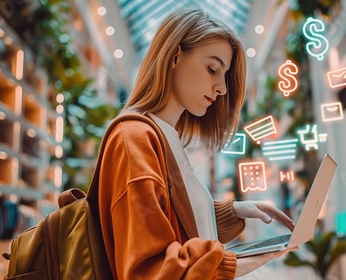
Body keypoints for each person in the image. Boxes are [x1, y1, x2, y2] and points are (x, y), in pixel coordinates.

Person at [97, 7, 298, 279]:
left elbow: (169, 219)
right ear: (174, 57)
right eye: (212, 68)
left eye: (224, 75)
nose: (222, 88)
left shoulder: (164, 136)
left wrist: (234, 211)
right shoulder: (135, 138)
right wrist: (230, 265)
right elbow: (146, 269)